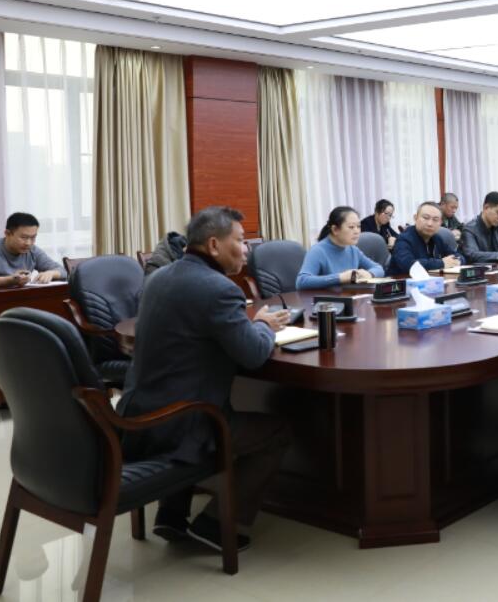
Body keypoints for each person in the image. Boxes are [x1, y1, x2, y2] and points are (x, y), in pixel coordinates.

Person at [117, 206, 292, 550]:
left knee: (186, 388)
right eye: (240, 240)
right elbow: (254, 354)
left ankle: (171, 514)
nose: (247, 249)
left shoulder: (158, 278)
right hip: (181, 427)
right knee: (278, 432)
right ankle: (215, 525)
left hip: (135, 416)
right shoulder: (218, 289)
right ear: (214, 245)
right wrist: (261, 325)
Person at [0, 212, 64, 289]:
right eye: (24, 237)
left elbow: (65, 272)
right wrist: (9, 280)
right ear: (7, 234)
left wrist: (51, 273)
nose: (28, 243)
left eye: (33, 238)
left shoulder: (33, 251)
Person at [298, 207, 386, 289]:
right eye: (351, 227)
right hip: (327, 299)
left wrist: (369, 274)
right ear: (335, 230)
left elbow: (378, 268)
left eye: (358, 226)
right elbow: (302, 281)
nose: (357, 231)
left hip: (350, 296)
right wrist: (340, 277)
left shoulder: (353, 249)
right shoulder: (317, 251)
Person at [388, 201, 464, 274]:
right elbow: (408, 264)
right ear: (415, 218)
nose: (430, 224)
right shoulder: (403, 239)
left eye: (435, 220)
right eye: (425, 218)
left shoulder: (437, 238)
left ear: (440, 223)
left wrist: (456, 261)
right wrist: (442, 263)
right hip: (400, 281)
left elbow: (460, 257)